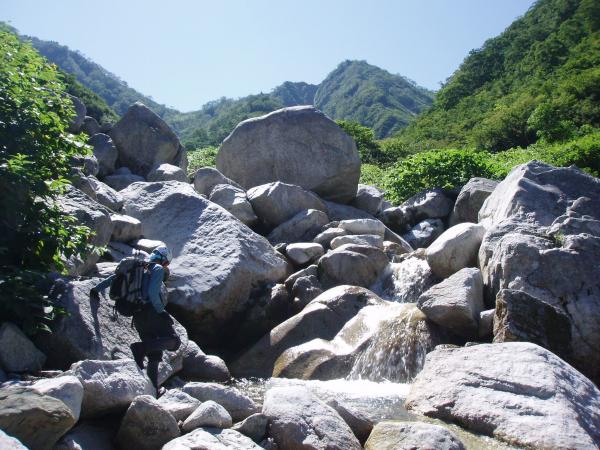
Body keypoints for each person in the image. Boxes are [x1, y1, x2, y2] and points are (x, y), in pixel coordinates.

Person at [90, 245, 180, 394]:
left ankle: (153, 390)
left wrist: (96, 290)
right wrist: (162, 312)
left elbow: (113, 278)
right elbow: (152, 293)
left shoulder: (137, 267)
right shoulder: (157, 269)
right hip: (151, 312)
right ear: (164, 260)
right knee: (174, 341)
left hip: (137, 317)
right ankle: (139, 348)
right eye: (167, 264)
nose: (166, 266)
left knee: (154, 352)